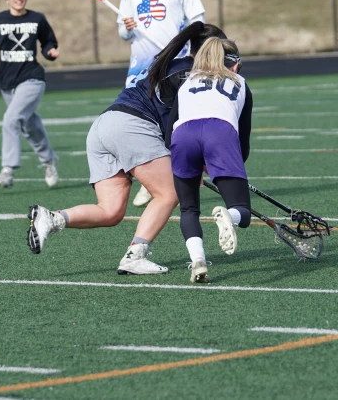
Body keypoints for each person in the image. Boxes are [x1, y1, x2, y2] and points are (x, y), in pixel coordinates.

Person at [26, 22, 228, 276]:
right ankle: (135, 255)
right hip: (131, 127)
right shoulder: (192, 76)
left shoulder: (174, 65)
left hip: (103, 126)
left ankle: (52, 218)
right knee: (169, 193)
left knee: (110, 212)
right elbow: (178, 130)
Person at [118, 0, 206, 208]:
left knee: (173, 125)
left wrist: (188, 52)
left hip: (174, 66)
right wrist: (126, 27)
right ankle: (149, 181)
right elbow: (122, 32)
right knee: (144, 124)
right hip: (140, 69)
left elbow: (198, 22)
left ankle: (181, 179)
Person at [164, 37, 253, 283]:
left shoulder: (186, 83)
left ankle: (198, 262)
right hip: (220, 134)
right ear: (233, 63)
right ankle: (229, 216)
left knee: (188, 209)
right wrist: (221, 165)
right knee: (243, 212)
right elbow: (242, 142)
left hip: (183, 137)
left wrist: (194, 162)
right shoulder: (241, 83)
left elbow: (168, 132)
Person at [0, 0, 60, 189]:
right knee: (30, 126)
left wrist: (50, 51)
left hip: (32, 79)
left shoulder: (37, 19)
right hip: (8, 83)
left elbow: (48, 40)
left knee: (11, 119)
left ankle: (8, 170)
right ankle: (49, 160)